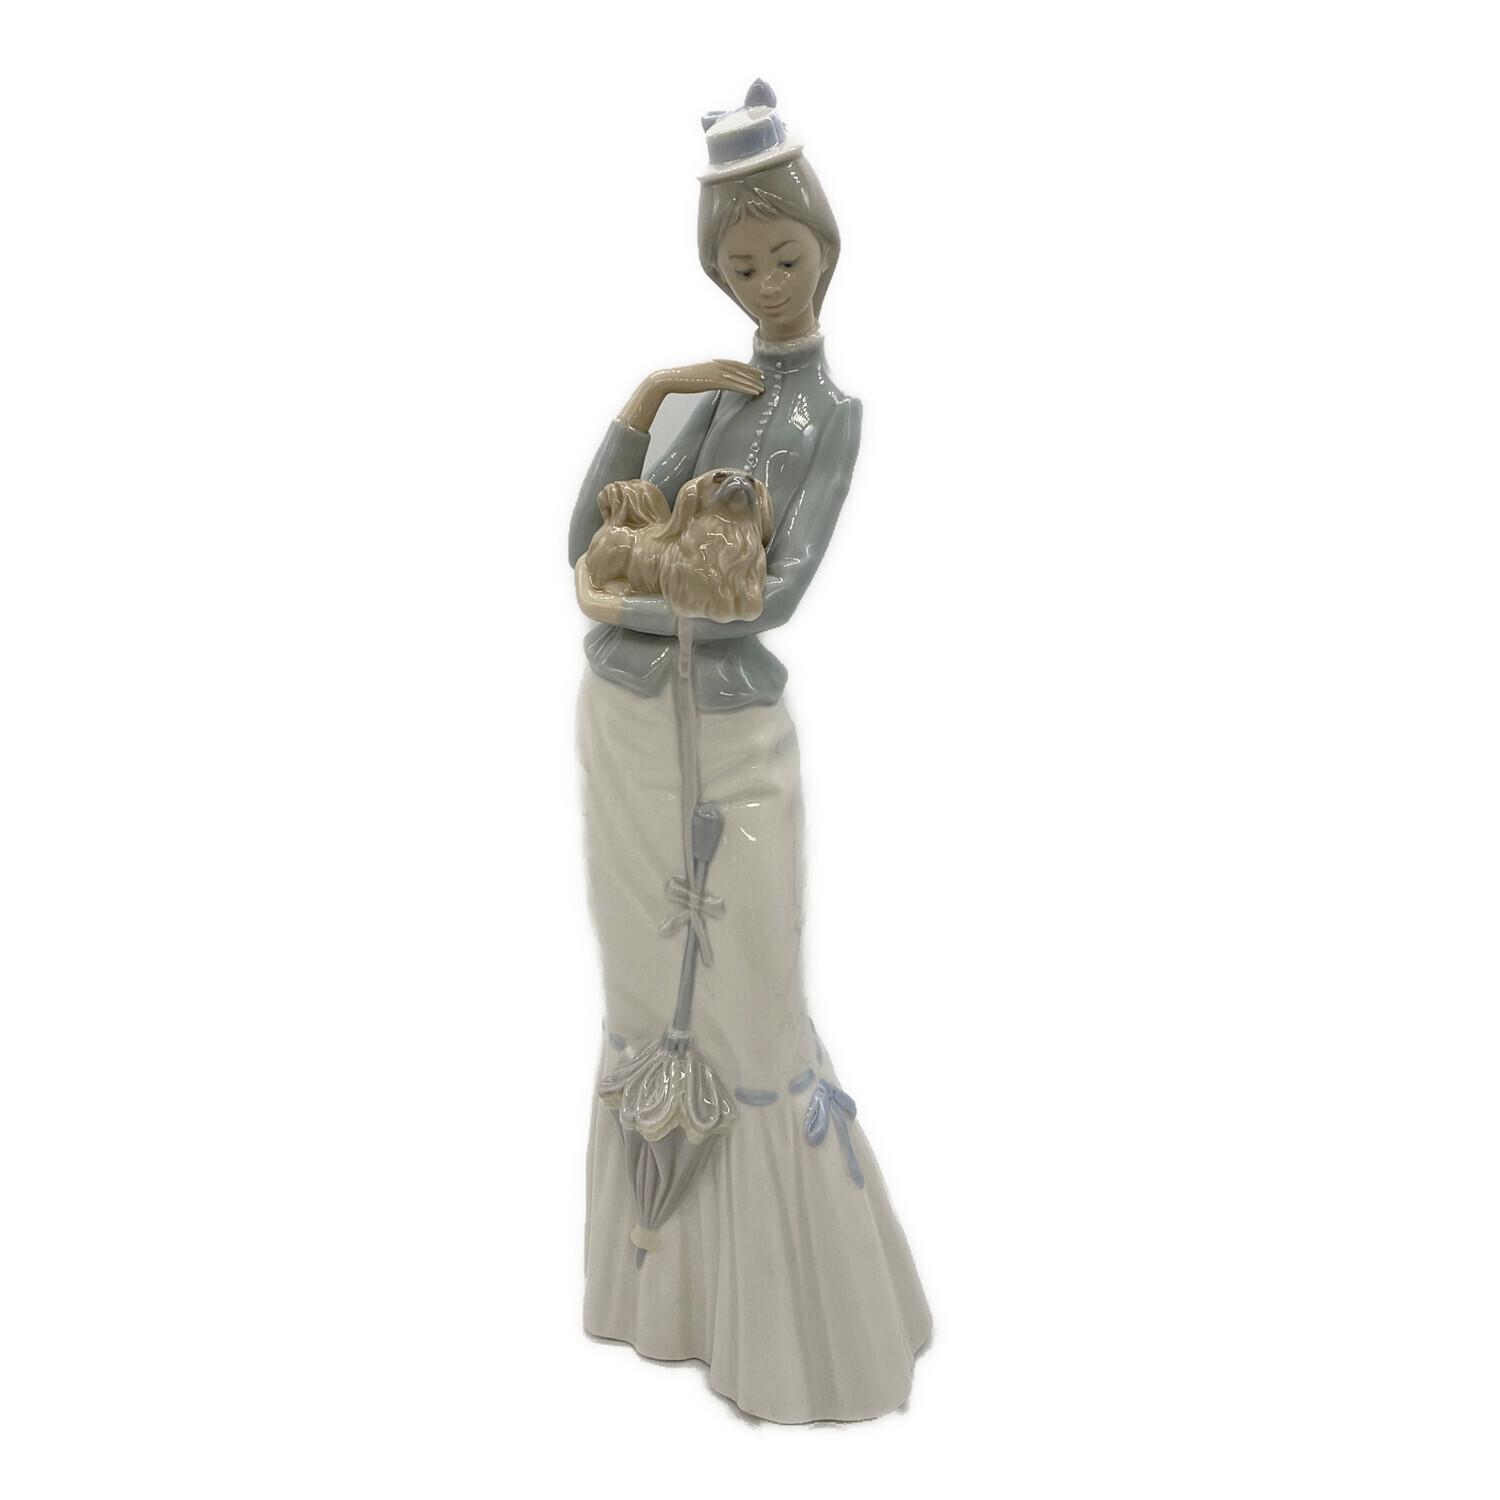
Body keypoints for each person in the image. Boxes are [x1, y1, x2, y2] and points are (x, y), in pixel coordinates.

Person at [570, 81, 930, 1424]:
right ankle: (664, 1290)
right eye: (741, 266)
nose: (768, 283)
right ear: (715, 273)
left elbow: (761, 603)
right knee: (643, 995)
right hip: (624, 721)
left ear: (824, 250)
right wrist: (646, 397)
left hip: (729, 731)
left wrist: (619, 597)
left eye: (785, 257)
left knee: (756, 1000)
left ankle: (797, 1321)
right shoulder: (700, 401)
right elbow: (579, 542)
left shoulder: (828, 416)